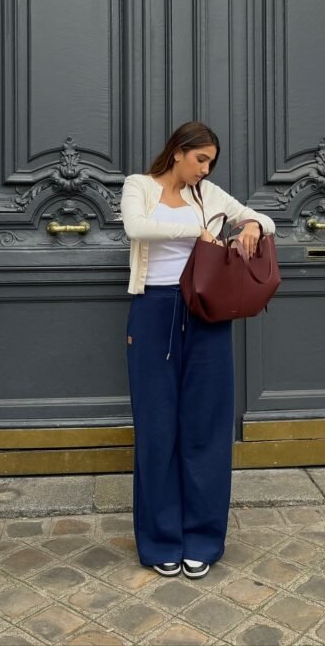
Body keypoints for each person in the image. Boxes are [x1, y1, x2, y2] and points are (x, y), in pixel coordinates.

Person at [120, 121, 275, 579]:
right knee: (156, 428)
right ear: (178, 152)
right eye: (200, 160)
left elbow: (263, 219)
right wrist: (201, 232)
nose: (204, 170)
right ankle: (160, 540)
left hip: (205, 313)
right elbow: (135, 227)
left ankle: (204, 539)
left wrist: (246, 224)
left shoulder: (209, 195)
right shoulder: (139, 186)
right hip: (153, 312)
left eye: (210, 163)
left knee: (206, 428)